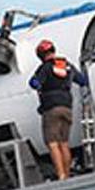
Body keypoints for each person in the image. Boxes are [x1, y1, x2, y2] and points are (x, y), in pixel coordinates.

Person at [28, 39, 87, 180]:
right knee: (64, 143)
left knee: (52, 143)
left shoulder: (45, 68)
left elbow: (34, 83)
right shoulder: (67, 65)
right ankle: (66, 173)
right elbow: (82, 80)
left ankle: (61, 175)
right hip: (67, 106)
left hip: (51, 108)